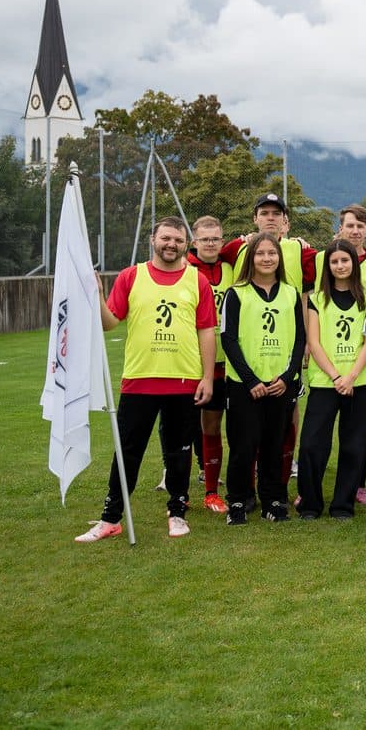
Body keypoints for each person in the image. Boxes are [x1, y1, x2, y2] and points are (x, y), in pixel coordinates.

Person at [75, 217, 216, 542]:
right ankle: (110, 518)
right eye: (166, 238)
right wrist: (97, 296)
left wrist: (207, 377)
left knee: (179, 453)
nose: (171, 244)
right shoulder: (131, 276)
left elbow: (206, 331)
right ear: (153, 239)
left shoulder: (197, 281)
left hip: (183, 382)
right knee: (127, 452)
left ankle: (177, 512)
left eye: (178, 240)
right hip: (139, 381)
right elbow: (110, 322)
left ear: (187, 244)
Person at [220, 232, 305, 524]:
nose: (267, 258)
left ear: (279, 258)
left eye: (272, 253)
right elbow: (228, 340)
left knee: (273, 444)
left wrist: (288, 376)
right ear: (250, 258)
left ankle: (273, 499)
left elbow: (300, 340)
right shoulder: (237, 293)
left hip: (280, 384)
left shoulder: (291, 293)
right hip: (246, 386)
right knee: (243, 445)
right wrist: (250, 381)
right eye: (260, 253)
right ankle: (239, 500)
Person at [297, 240, 366, 520]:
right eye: (334, 261)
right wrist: (336, 376)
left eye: (345, 260)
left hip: (359, 381)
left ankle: (343, 505)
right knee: (312, 445)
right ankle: (310, 505)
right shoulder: (317, 299)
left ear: (354, 263)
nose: (340, 266)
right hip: (325, 382)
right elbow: (314, 343)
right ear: (327, 266)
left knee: (354, 445)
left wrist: (351, 376)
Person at [186, 215, 235, 513]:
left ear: (222, 240)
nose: (210, 244)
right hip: (198, 364)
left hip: (234, 363)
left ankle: (243, 484)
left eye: (215, 238)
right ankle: (209, 492)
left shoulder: (231, 267)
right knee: (206, 426)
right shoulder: (185, 272)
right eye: (204, 239)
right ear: (194, 242)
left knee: (241, 428)